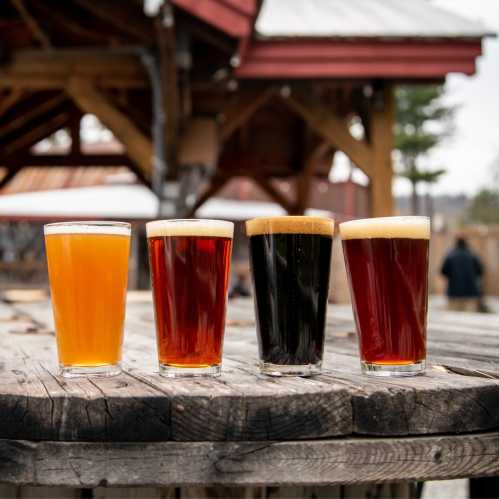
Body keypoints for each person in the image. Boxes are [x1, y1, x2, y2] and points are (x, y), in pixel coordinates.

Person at [441, 237, 484, 312]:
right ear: (466, 243)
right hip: (471, 293)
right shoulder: (473, 256)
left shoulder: (450, 256)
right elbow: (480, 271)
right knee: (469, 319)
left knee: (452, 319)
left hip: (453, 293)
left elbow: (443, 271)